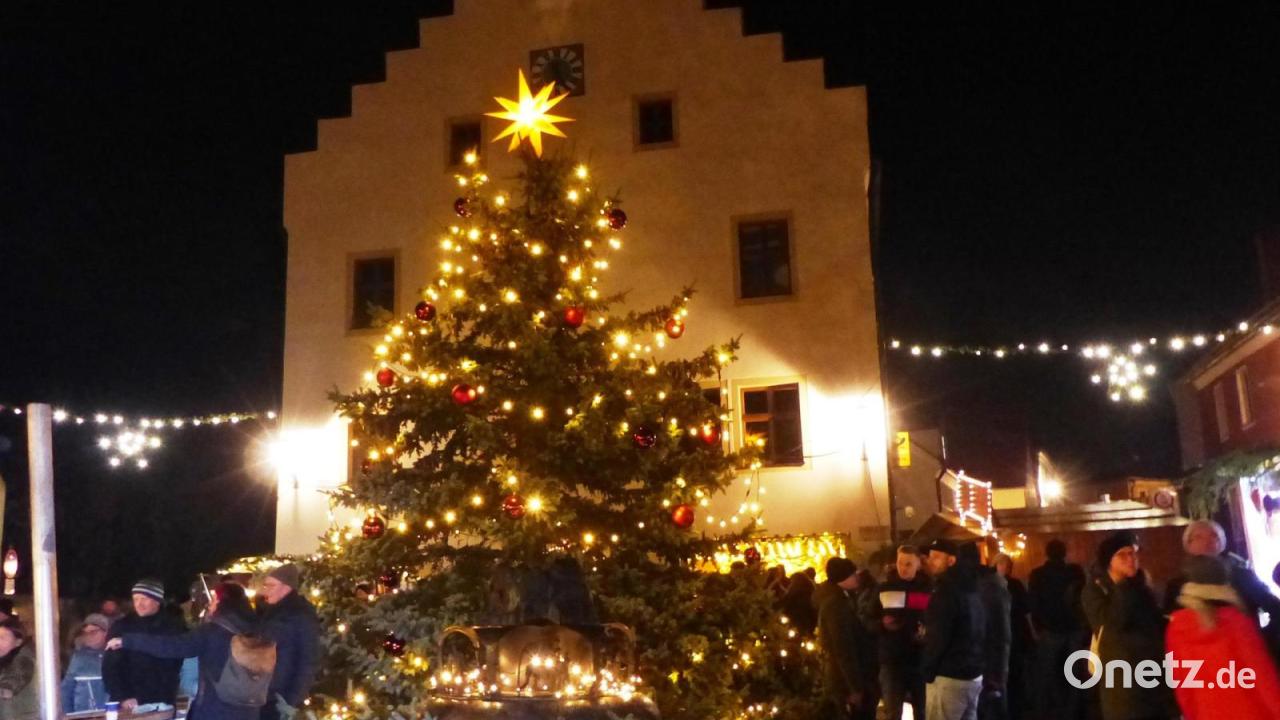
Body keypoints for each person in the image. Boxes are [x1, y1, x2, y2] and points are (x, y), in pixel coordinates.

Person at [110, 582, 272, 720]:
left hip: (216, 708)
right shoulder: (258, 631)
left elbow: (173, 647)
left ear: (224, 603)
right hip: (250, 709)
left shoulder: (213, 632)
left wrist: (128, 640)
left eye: (215, 599)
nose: (210, 603)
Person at [1165, 555, 1280, 719]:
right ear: (1224, 582)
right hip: (1250, 711)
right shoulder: (1236, 621)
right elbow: (1262, 676)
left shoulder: (1176, 627)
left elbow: (1182, 685)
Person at [1081, 531, 1179, 720]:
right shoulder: (1095, 589)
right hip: (1123, 680)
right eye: (1123, 554)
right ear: (1109, 559)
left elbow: (1154, 623)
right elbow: (1112, 623)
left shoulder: (1141, 587)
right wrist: (1121, 587)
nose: (1131, 558)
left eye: (1133, 553)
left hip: (1154, 676)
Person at [1162, 520, 1280, 642]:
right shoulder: (1176, 586)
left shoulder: (1242, 577)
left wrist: (1263, 638)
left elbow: (1274, 606)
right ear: (1188, 544)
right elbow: (1169, 626)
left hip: (1242, 651)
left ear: (1222, 543)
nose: (1207, 541)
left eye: (1214, 536)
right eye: (1198, 537)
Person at [922, 539, 985, 720]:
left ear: (951, 560)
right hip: (973, 673)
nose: (930, 561)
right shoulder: (972, 586)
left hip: (949, 675)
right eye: (930, 557)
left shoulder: (945, 591)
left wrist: (928, 669)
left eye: (936, 557)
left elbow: (939, 635)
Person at [103, 578, 186, 713]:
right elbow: (110, 667)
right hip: (127, 703)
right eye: (136, 599)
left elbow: (171, 669)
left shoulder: (172, 628)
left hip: (161, 702)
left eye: (144, 599)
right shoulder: (122, 626)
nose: (139, 604)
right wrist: (123, 697)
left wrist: (147, 697)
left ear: (157, 601)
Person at [1028, 539, 1087, 720]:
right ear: (1064, 553)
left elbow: (1034, 603)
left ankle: (1055, 711)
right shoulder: (1075, 572)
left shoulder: (1037, 575)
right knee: (1075, 673)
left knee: (1049, 673)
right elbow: (1082, 599)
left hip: (1050, 629)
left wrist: (1037, 628)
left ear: (1047, 553)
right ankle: (1073, 712)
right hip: (1074, 627)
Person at [875, 544, 931, 720]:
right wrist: (881, 624)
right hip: (892, 660)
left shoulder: (927, 588)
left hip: (919, 659)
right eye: (900, 563)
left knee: (922, 711)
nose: (903, 568)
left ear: (918, 565)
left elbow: (937, 618)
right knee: (893, 712)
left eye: (908, 564)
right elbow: (866, 617)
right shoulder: (884, 588)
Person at [817, 557, 877, 720]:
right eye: (853, 574)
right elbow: (843, 648)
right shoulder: (836, 606)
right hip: (847, 682)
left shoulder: (843, 599)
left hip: (851, 678)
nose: (858, 577)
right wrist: (854, 687)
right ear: (844, 578)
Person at [258, 563, 319, 720]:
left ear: (286, 587)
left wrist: (291, 700)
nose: (266, 590)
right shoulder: (272, 612)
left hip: (280, 697)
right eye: (265, 585)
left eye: (271, 585)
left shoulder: (300, 615)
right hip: (266, 694)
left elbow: (308, 660)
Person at [966, 545, 1010, 720]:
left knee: (988, 702)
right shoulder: (996, 586)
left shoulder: (985, 588)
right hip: (996, 654)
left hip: (987, 655)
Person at [994, 553, 1032, 720]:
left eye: (1006, 565)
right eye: (1002, 564)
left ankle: (1014, 706)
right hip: (1007, 633)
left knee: (1014, 672)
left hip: (1013, 633)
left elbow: (1025, 608)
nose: (1005, 568)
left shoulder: (1012, 584)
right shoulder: (1004, 585)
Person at [61, 613, 111, 712]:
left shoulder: (115, 655)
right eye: (85, 633)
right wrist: (69, 715)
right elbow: (67, 689)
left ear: (105, 632)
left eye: (93, 632)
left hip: (111, 714)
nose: (89, 636)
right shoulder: (78, 657)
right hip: (83, 714)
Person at [0, 619, 36, 720]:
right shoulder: (4, 659)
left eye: (3, 638)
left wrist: (5, 689)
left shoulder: (23, 659)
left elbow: (12, 681)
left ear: (18, 642)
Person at [779, 570, 818, 636]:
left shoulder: (791, 595)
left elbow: (784, 607)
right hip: (808, 626)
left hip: (793, 626)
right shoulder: (812, 594)